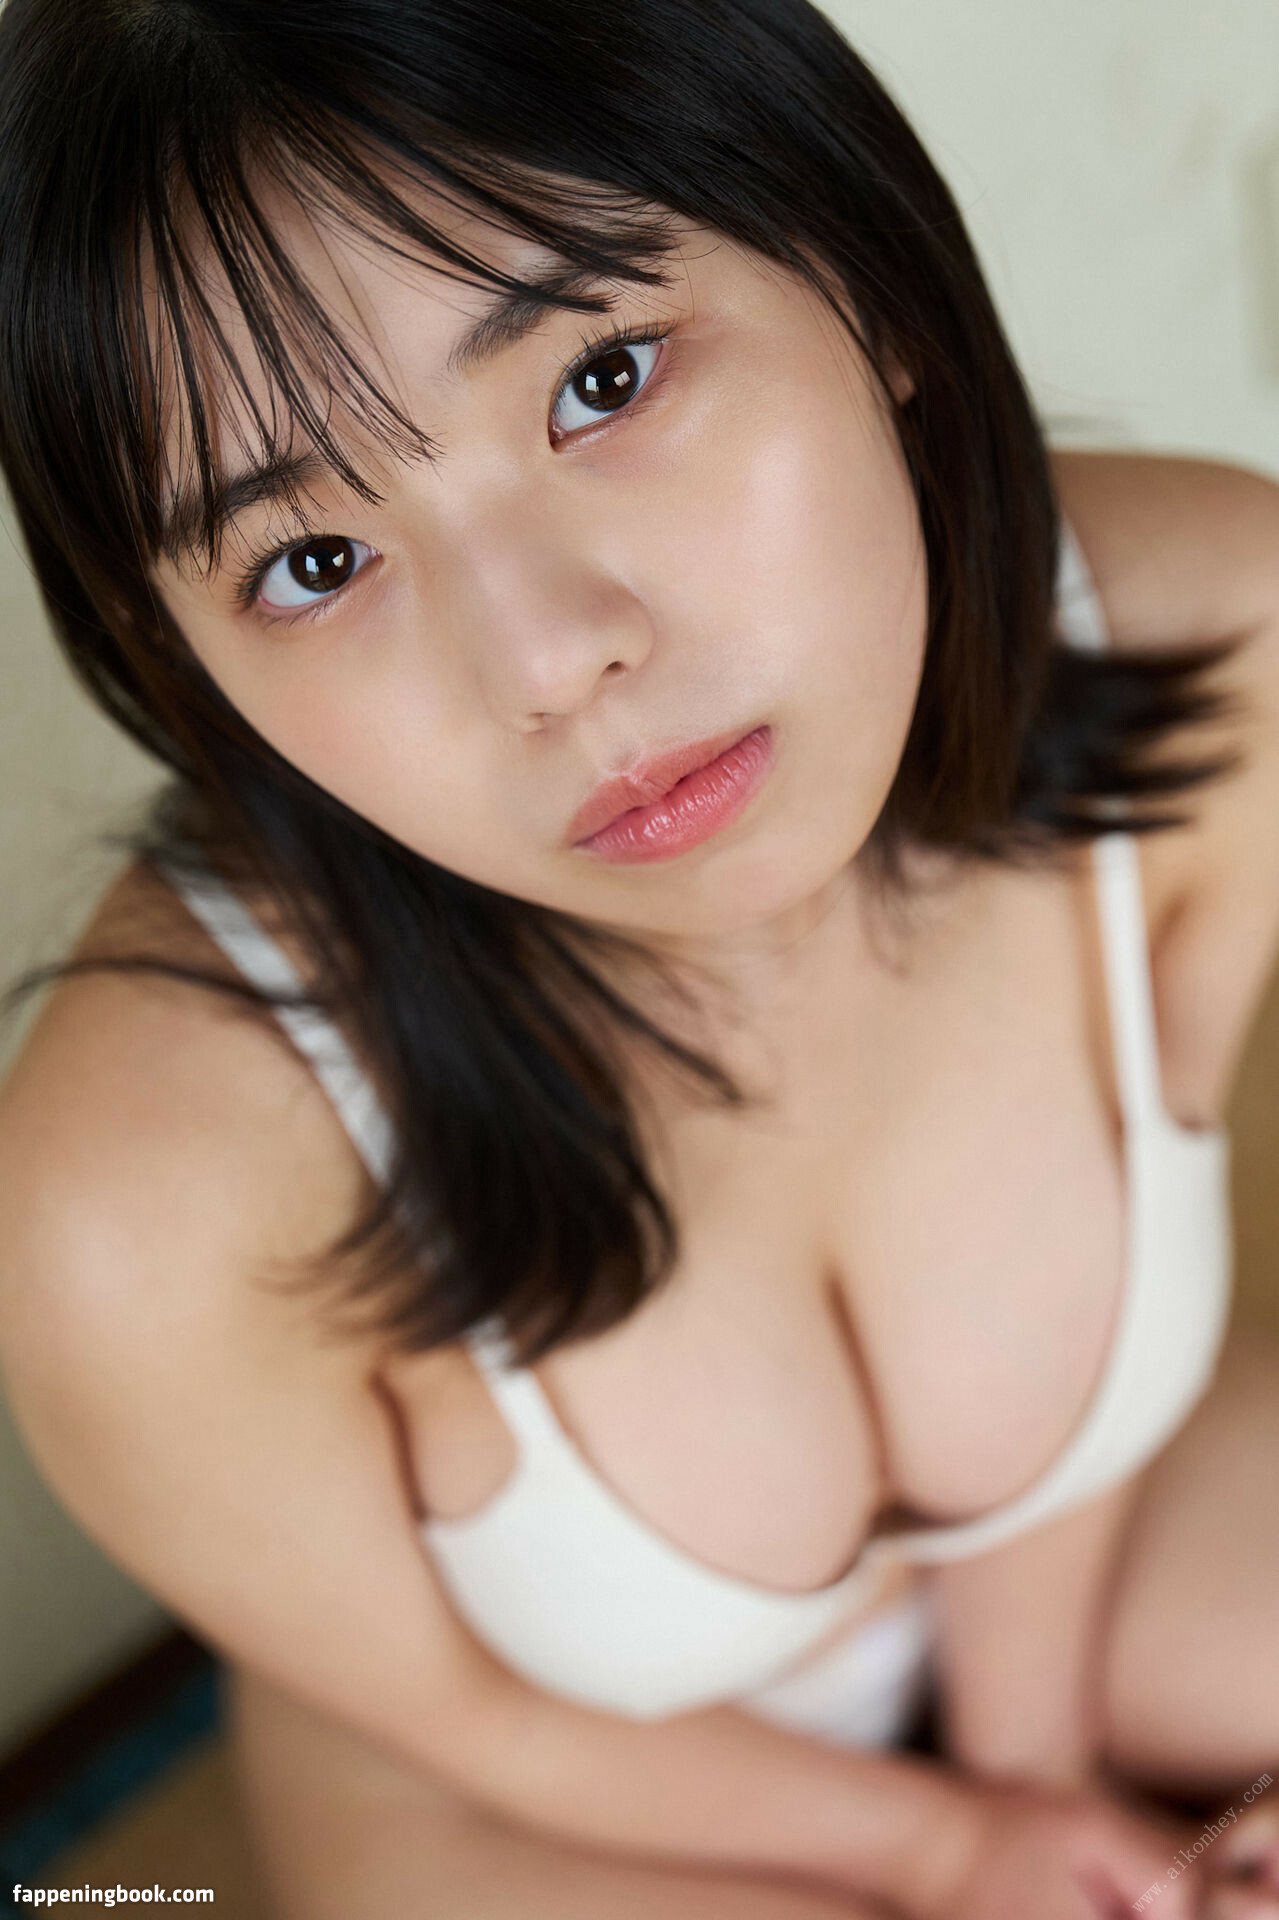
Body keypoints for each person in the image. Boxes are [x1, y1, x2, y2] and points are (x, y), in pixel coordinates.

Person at [0, 0, 1276, 1914]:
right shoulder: (140, 1194)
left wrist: (1049, 1787)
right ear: (180, 658)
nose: (549, 661)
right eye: (313, 565)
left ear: (867, 278)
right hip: (535, 1789)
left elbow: (1073, 1441)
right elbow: (468, 1715)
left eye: (602, 379)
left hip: (1086, 1562)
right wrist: (955, 1848)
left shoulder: (1226, 637)